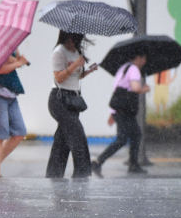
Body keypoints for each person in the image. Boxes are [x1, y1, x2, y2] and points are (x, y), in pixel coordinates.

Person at [46, 31, 99, 178]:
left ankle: (53, 175)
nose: (74, 42)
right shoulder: (59, 52)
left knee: (62, 141)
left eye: (77, 39)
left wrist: (88, 70)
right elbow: (59, 78)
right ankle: (82, 173)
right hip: (59, 100)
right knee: (77, 134)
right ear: (66, 35)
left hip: (73, 100)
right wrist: (75, 64)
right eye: (72, 38)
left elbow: (77, 76)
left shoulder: (76, 51)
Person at [91, 50, 150, 176]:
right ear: (139, 57)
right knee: (122, 139)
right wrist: (144, 89)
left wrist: (112, 113)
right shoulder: (134, 69)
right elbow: (135, 88)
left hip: (120, 109)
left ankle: (134, 164)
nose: (145, 61)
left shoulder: (123, 68)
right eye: (144, 58)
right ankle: (98, 162)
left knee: (135, 134)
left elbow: (117, 91)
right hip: (125, 111)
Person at [0, 51, 28, 179]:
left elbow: (12, 59)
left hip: (11, 95)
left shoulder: (11, 44)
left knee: (19, 132)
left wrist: (17, 58)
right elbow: (0, 69)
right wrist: (18, 63)